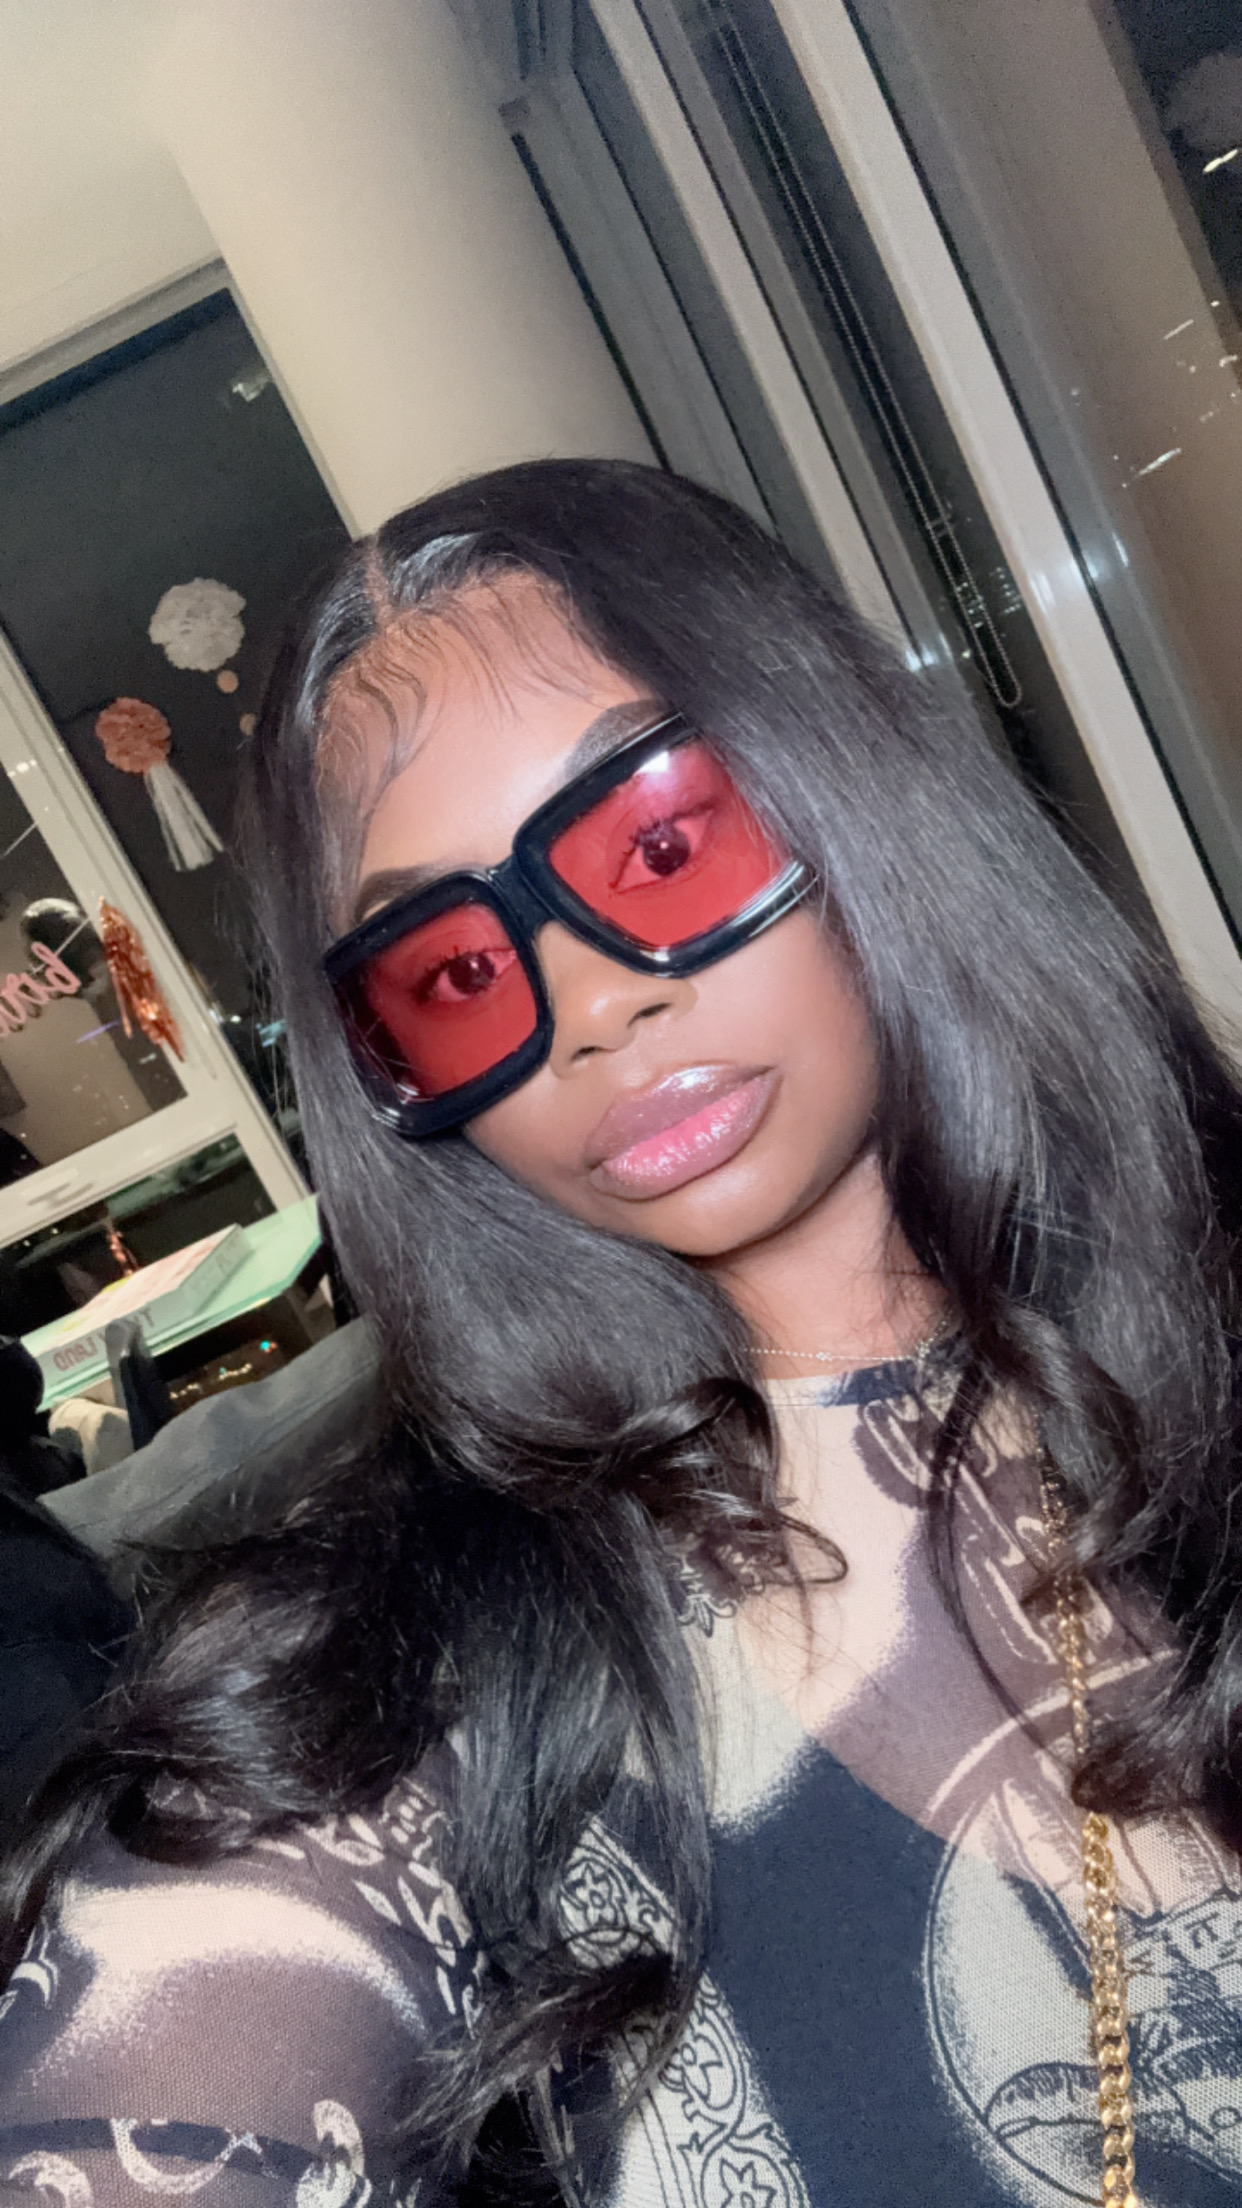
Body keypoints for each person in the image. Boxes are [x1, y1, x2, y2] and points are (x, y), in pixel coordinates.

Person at [0, 458, 1240, 2208]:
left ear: (847, 785)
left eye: (657, 848)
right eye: (452, 974)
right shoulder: (414, 1667)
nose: (588, 1005)